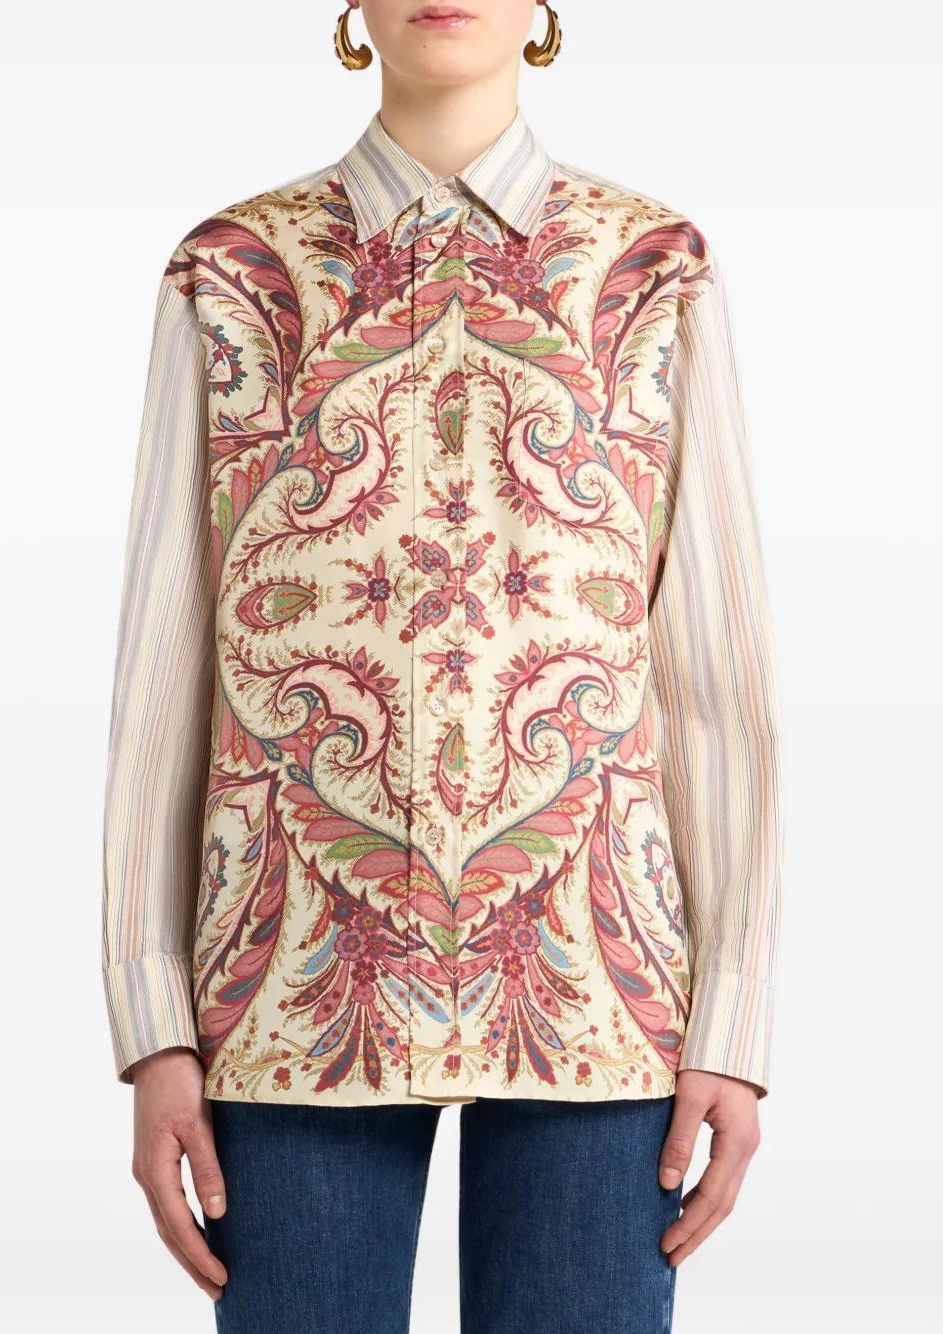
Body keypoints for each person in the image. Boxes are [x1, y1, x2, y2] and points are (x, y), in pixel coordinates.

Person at [101, 3, 784, 1330]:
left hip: (598, 983)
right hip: (290, 981)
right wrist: (153, 1020)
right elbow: (161, 684)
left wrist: (737, 1023)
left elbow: (718, 686)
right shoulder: (235, 273)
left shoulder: (653, 270)